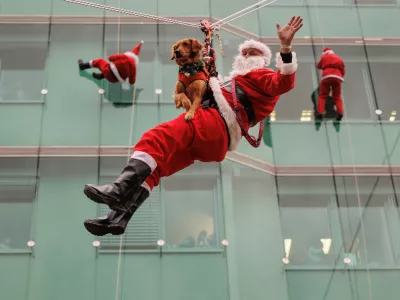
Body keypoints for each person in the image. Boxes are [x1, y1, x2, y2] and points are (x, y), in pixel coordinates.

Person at [83, 16, 303, 236]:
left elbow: (284, 82)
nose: (246, 55)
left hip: (214, 124)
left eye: (252, 53)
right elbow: (208, 81)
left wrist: (285, 46)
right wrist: (206, 48)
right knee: (158, 167)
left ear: (263, 59)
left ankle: (118, 190)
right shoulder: (235, 81)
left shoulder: (262, 76)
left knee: (155, 138)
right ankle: (119, 217)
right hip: (214, 141)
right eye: (244, 52)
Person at [78, 41, 143, 85]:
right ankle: (101, 76)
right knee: (109, 69)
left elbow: (110, 58)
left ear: (130, 53)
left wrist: (114, 61)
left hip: (108, 71)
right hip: (114, 81)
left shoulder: (124, 56)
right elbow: (132, 82)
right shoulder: (134, 68)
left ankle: (83, 66)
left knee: (100, 61)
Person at [316, 47, 345, 121]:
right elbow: (343, 70)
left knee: (322, 96)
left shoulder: (324, 57)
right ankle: (340, 112)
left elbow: (319, 66)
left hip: (326, 77)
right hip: (337, 78)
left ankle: (320, 112)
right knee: (337, 96)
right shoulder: (339, 58)